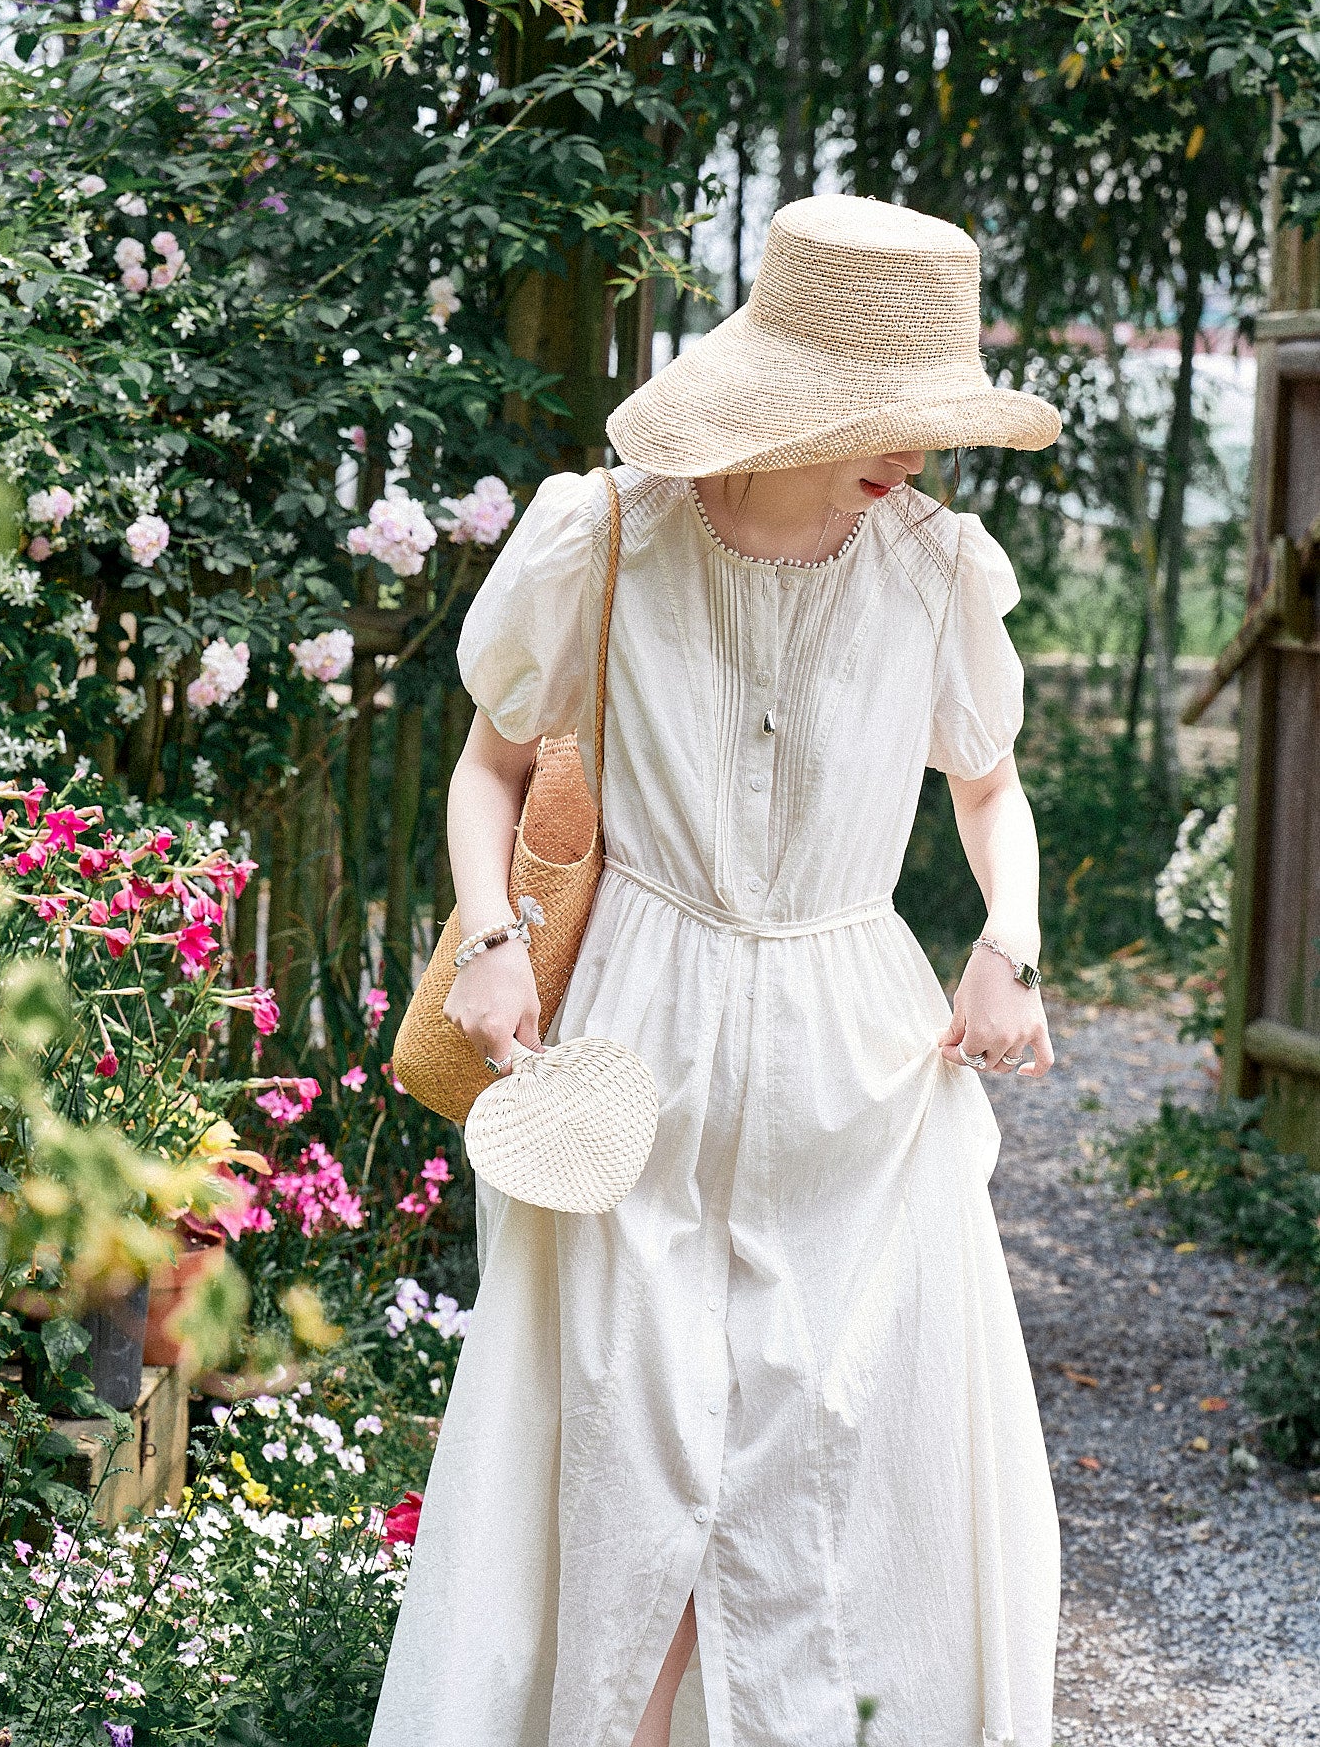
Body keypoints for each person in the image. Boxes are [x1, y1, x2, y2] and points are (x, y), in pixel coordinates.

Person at [370, 196, 1064, 1747]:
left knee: (827, 1469)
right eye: (882, 417)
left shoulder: (939, 565)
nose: (914, 453)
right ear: (790, 399)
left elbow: (987, 784)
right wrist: (488, 939)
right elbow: (488, 772)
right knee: (627, 1465)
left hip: (858, 1076)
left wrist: (1006, 943)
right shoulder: (604, 533)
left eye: (929, 422)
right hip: (634, 1053)